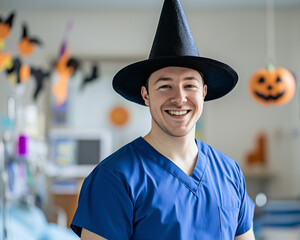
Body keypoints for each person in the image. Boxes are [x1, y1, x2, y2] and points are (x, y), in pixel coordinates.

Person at [70, 0, 255, 239]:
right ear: (146, 95)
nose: (179, 98)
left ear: (204, 92)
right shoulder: (114, 178)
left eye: (190, 85)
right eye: (165, 86)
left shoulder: (229, 172)